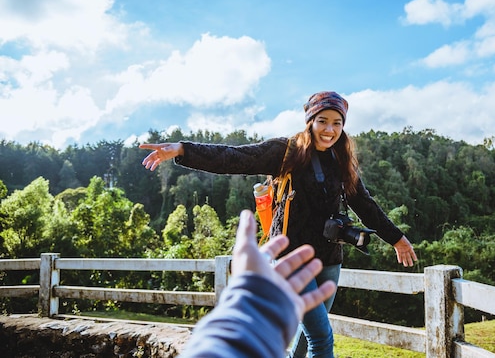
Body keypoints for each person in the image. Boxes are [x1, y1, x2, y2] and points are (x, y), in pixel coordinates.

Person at [140, 90, 418, 358]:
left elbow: (364, 203)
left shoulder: (341, 160)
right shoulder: (287, 152)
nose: (329, 130)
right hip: (291, 256)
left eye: (337, 123)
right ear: (310, 121)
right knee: (321, 337)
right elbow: (234, 158)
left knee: (304, 338)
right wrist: (181, 150)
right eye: (322, 121)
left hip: (329, 260)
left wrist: (396, 238)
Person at [178, 209, 336, 358]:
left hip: (326, 254)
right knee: (321, 336)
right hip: (291, 248)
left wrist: (245, 315)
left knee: (318, 334)